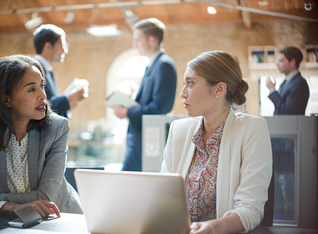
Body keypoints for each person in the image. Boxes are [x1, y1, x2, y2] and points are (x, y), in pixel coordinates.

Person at [161, 51, 273, 233]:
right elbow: (163, 197)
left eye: (190, 83)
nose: (182, 94)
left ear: (219, 89)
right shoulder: (178, 130)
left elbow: (250, 209)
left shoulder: (252, 129)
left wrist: (212, 228)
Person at [0, 55, 82, 217]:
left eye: (42, 86)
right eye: (31, 89)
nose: (43, 95)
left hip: (60, 219)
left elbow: (45, 197)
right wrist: (6, 206)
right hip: (9, 224)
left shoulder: (57, 127)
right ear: (6, 99)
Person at [113, 18, 177, 171]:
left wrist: (127, 112)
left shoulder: (164, 65)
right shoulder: (153, 65)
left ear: (152, 40)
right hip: (139, 138)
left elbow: (161, 107)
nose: (134, 44)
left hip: (147, 141)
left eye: (137, 40)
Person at [33, 24, 85, 118]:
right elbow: (37, 106)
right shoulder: (34, 69)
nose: (65, 50)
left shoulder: (48, 70)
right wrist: (67, 99)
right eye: (62, 44)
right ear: (48, 46)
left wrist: (68, 103)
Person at [266, 46, 309, 115]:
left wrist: (272, 90)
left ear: (292, 62)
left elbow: (287, 112)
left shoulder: (299, 84)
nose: (277, 64)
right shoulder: (286, 82)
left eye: (281, 61)